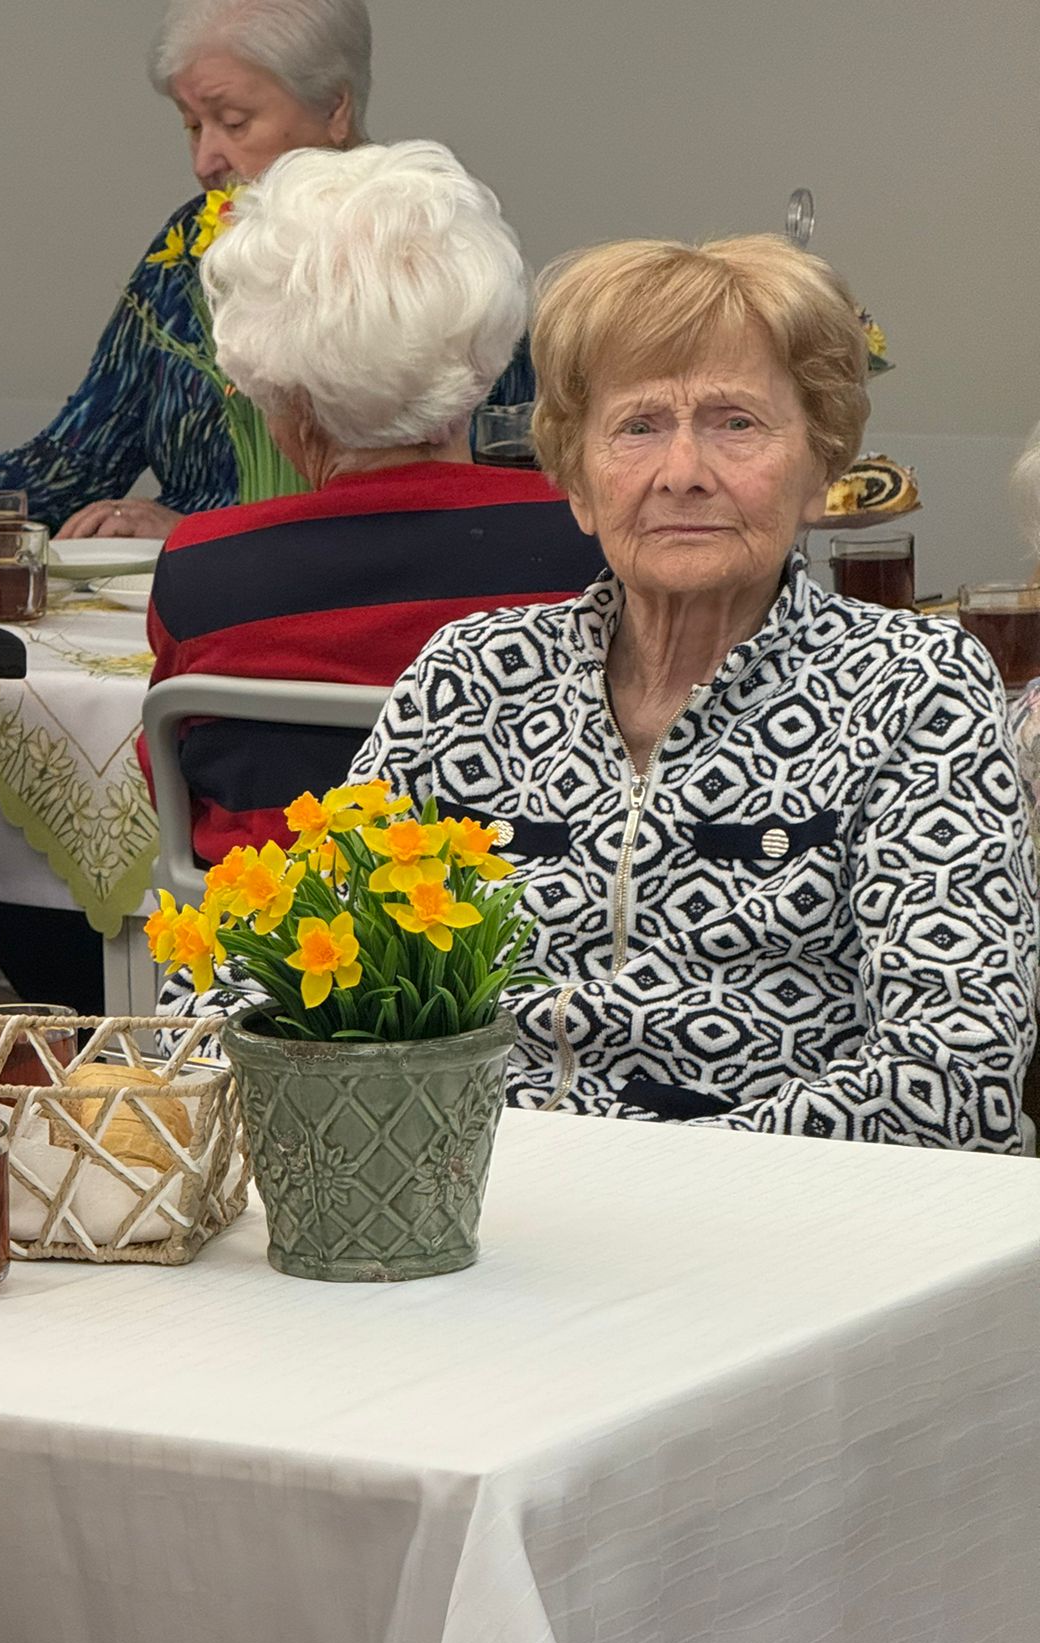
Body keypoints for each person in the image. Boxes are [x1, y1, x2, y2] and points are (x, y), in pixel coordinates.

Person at [338, 233, 1037, 1146]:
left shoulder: (912, 689)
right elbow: (284, 964)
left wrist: (655, 1177)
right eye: (637, 427)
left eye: (735, 423)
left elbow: (954, 1078)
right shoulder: (472, 677)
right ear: (579, 483)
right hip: (467, 1185)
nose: (682, 472)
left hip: (776, 1205)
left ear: (822, 471)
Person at [0, 0, 534, 550]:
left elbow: (468, 497)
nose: (206, 160)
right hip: (192, 594)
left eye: (234, 122)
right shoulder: (189, 249)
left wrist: (205, 535)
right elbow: (89, 448)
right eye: (191, 126)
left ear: (334, 107)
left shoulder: (432, 254)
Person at [142, 139, 606, 862]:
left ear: (282, 394)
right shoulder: (589, 535)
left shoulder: (203, 567)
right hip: (529, 922)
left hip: (285, 927)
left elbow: (173, 781)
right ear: (485, 358)